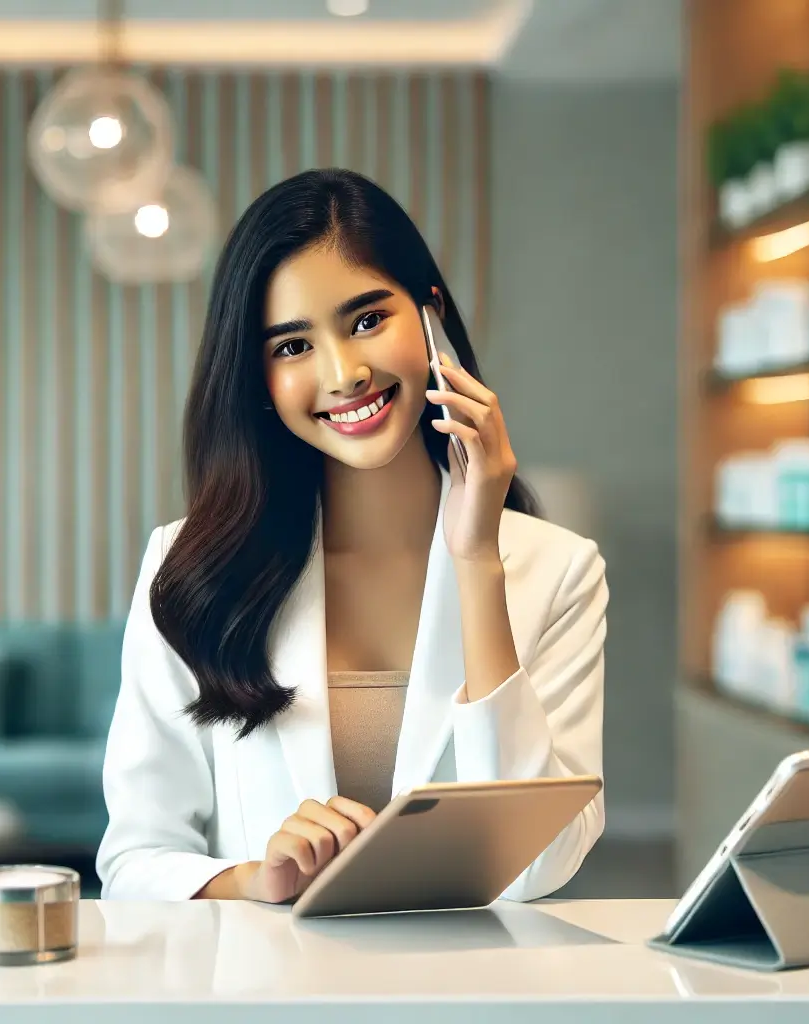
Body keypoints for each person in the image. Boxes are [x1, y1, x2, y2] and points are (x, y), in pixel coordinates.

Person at [96, 168, 607, 903]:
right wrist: (254, 879)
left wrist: (476, 561)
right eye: (292, 347)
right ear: (257, 378)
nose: (344, 374)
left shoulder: (559, 571)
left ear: (431, 317)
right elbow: (135, 860)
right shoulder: (188, 569)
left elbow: (541, 864)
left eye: (368, 320)